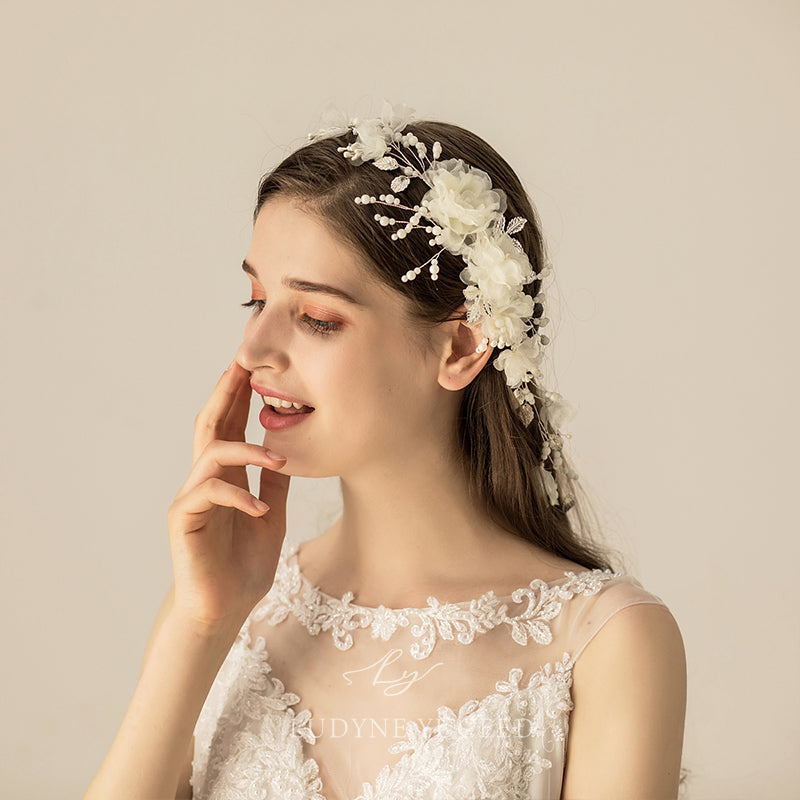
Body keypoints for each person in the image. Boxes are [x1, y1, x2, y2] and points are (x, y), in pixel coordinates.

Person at [84, 104, 686, 800]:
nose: (252, 351)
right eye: (256, 300)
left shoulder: (607, 643)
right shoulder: (223, 604)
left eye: (316, 318)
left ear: (460, 345)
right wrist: (201, 626)